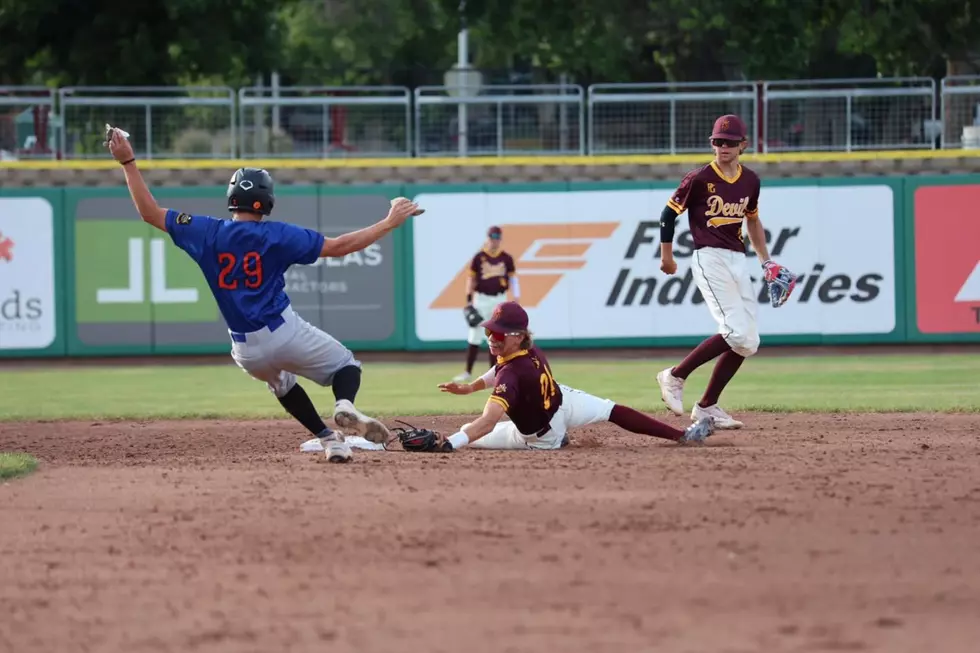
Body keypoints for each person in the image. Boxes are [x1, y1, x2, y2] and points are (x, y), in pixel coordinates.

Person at [104, 126, 422, 464]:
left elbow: (149, 213)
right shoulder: (278, 235)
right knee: (346, 366)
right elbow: (340, 247)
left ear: (231, 199)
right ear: (266, 200)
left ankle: (331, 440)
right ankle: (344, 406)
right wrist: (388, 223)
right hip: (282, 330)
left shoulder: (207, 231)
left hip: (245, 351)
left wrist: (128, 162)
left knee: (283, 386)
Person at [655, 114, 796, 429]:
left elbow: (753, 221)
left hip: (737, 258)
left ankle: (707, 406)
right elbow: (667, 214)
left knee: (748, 342)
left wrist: (766, 261)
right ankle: (675, 376)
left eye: (730, 142)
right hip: (709, 258)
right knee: (735, 331)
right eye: (718, 141)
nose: (723, 147)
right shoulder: (699, 178)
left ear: (743, 145)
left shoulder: (750, 181)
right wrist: (667, 257)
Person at [436, 302, 715, 451]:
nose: (491, 339)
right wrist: (471, 388)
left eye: (497, 334)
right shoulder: (526, 348)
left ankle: (682, 436)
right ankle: (683, 436)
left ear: (518, 336)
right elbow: (497, 368)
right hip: (562, 400)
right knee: (610, 409)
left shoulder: (511, 374)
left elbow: (486, 422)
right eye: (488, 333)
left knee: (470, 433)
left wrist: (451, 442)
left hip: (540, 437)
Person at [452, 225, 520, 382]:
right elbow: (471, 279)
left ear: (500, 239)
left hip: (499, 298)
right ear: (487, 238)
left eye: (497, 238)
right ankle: (467, 371)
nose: (494, 241)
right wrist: (468, 300)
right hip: (481, 298)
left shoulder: (506, 258)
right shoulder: (479, 257)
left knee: (497, 334)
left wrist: (516, 298)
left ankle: (496, 371)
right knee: (475, 333)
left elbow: (513, 279)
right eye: (492, 237)